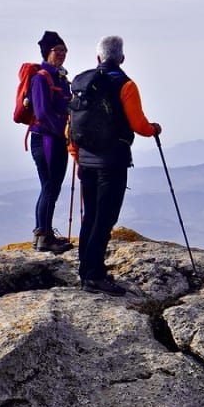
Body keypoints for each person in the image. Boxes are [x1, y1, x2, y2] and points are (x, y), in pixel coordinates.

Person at [68, 35, 160, 296]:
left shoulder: (83, 83)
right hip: (112, 161)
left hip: (86, 160)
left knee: (90, 217)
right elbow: (138, 125)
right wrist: (153, 129)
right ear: (121, 58)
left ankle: (87, 271)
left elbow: (71, 124)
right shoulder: (125, 85)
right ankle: (94, 275)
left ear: (98, 57)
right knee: (105, 218)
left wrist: (76, 155)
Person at [28, 30, 74, 253]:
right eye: (58, 50)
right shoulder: (41, 77)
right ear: (47, 52)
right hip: (46, 139)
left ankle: (42, 234)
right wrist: (63, 132)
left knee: (50, 187)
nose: (62, 54)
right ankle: (44, 237)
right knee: (50, 187)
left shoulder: (60, 77)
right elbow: (42, 112)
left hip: (54, 138)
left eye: (65, 50)